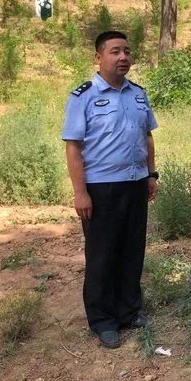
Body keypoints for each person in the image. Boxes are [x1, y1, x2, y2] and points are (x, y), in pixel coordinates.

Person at [62, 31, 159, 349]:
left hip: (134, 185)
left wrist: (150, 175)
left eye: (127, 51)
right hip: (101, 189)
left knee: (132, 251)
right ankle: (103, 321)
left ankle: (129, 311)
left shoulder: (138, 94)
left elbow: (147, 137)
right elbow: (73, 147)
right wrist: (81, 192)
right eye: (115, 51)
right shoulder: (83, 96)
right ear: (98, 57)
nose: (123, 57)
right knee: (102, 255)